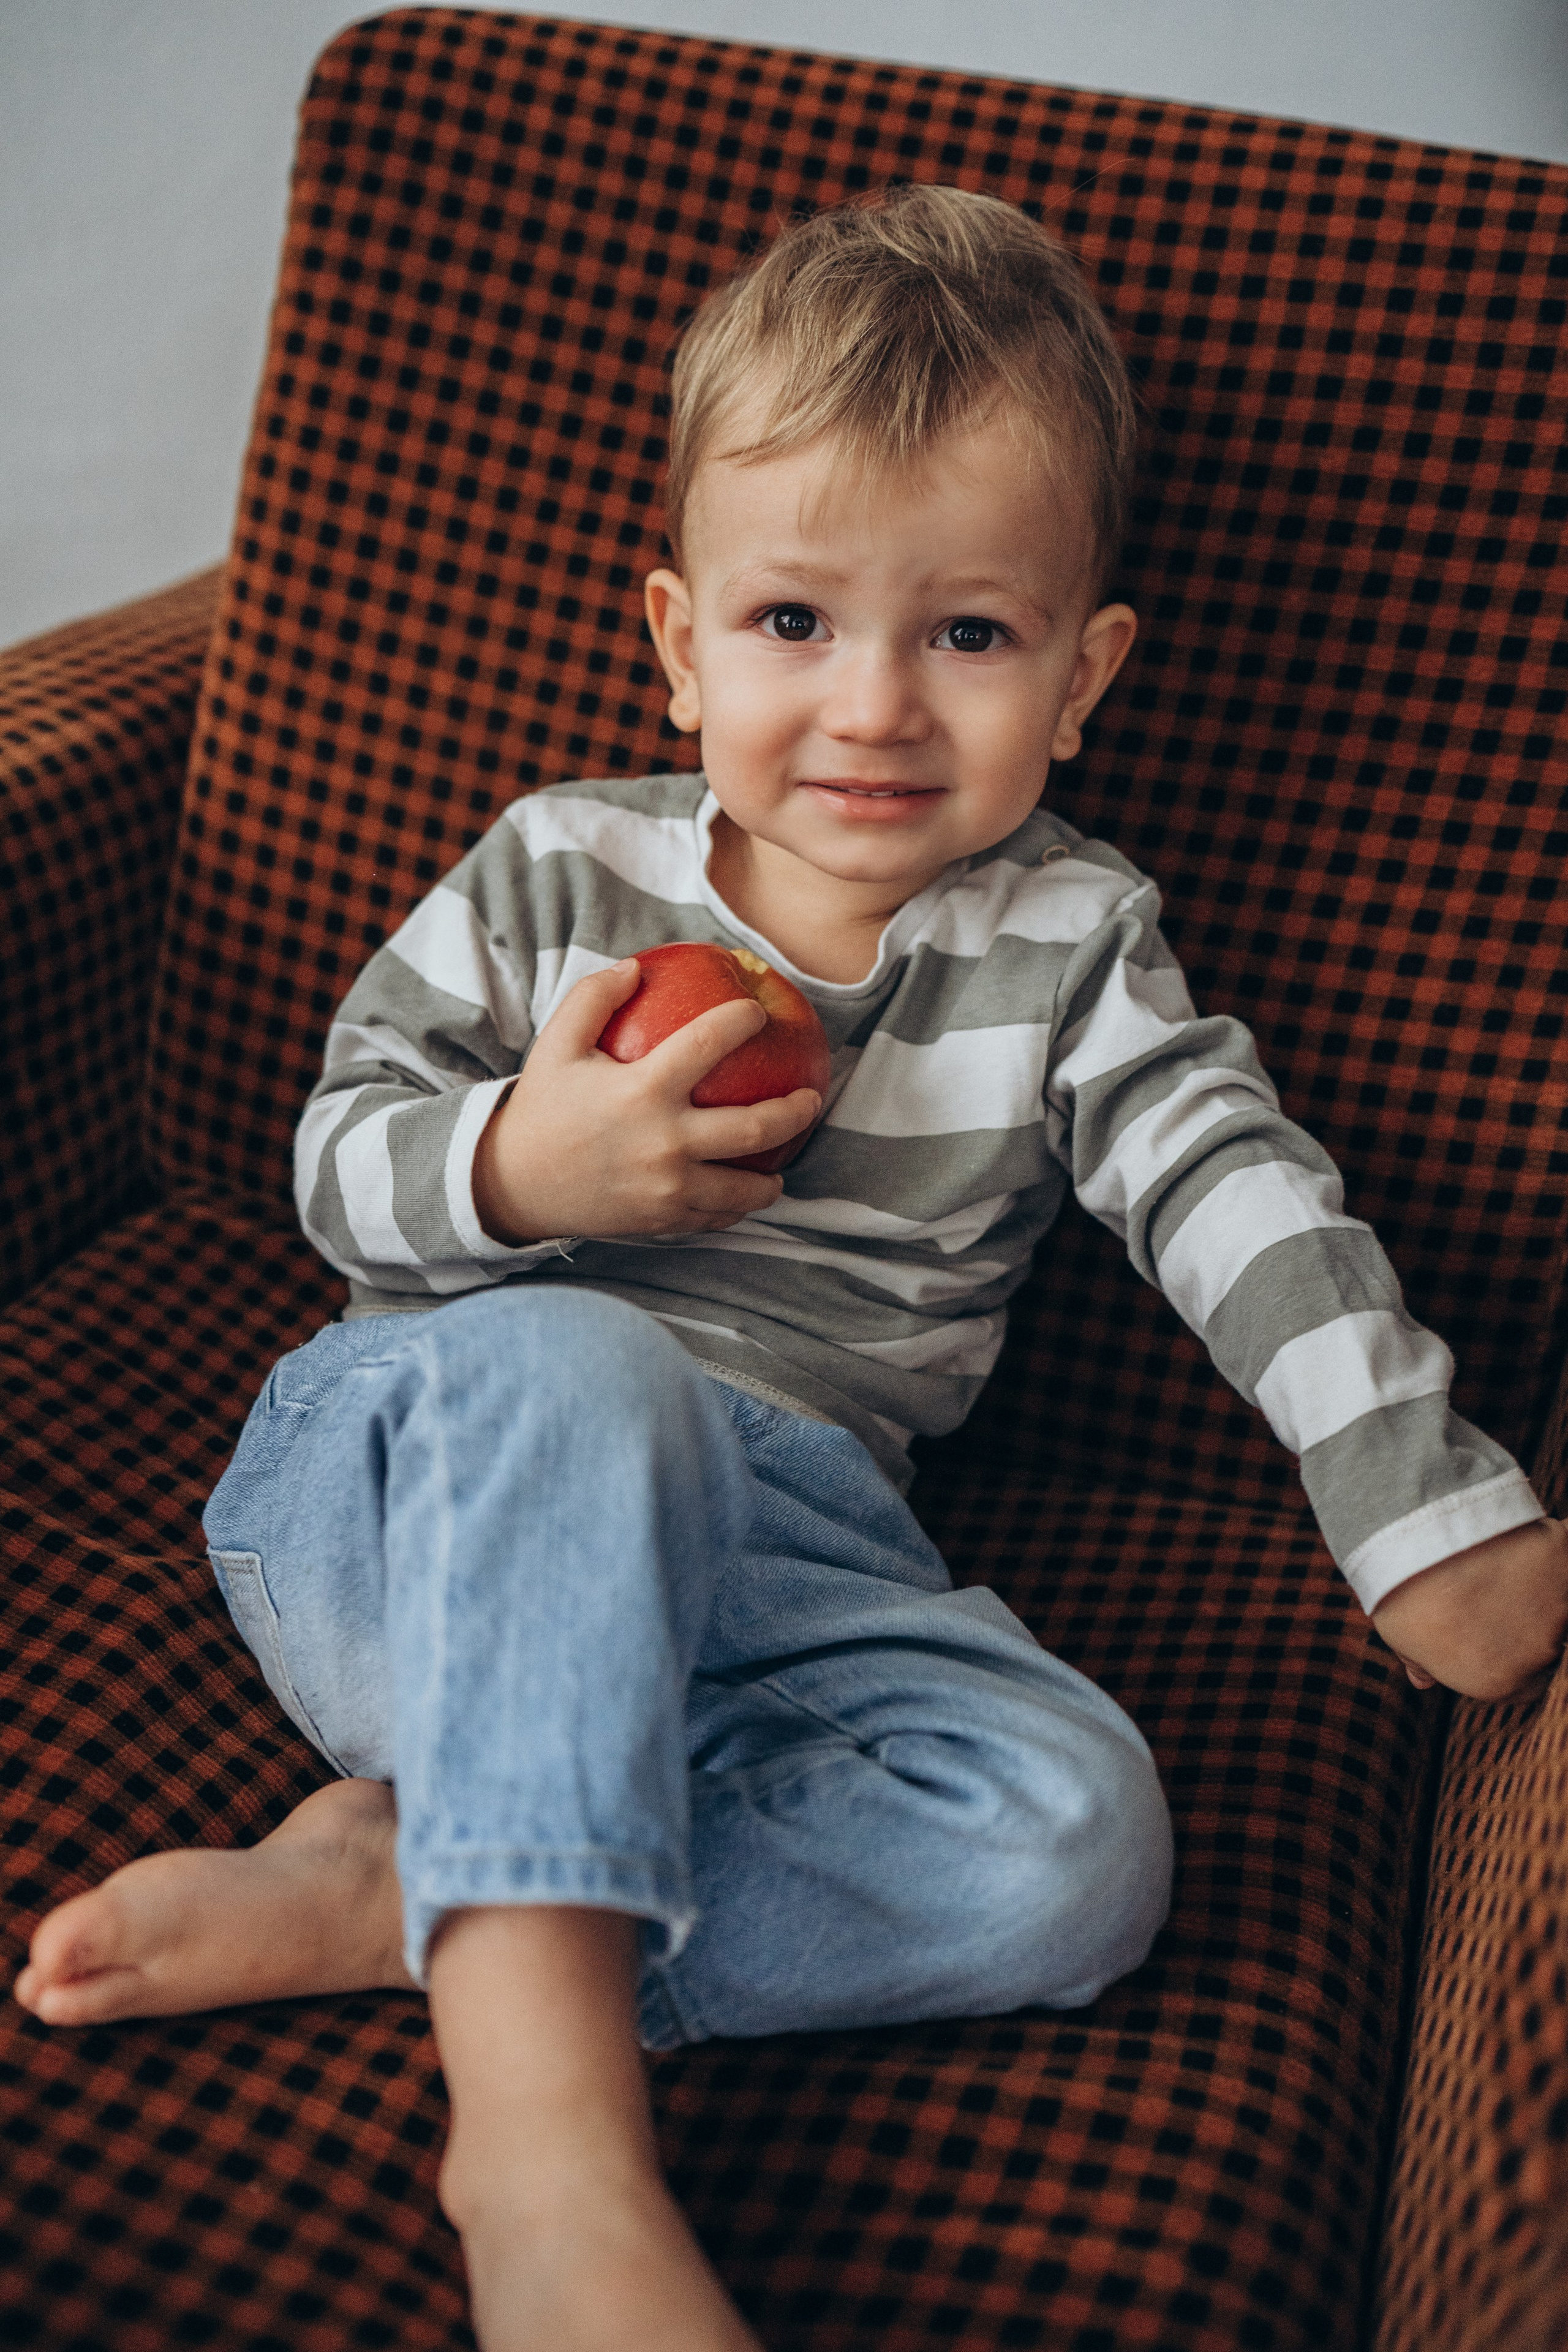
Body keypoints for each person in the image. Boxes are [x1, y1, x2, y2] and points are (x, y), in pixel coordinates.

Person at [15, 186, 1568, 2352]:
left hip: (792, 1555)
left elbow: (1237, 1191)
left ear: (1086, 673)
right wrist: (525, 1163)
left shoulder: (1069, 946)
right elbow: (334, 1162)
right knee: (586, 1370)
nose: (874, 707)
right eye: (792, 621)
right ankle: (546, 2156)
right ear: (678, 642)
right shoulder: (559, 868)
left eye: (970, 635)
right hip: (426, 1493)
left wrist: (1414, 1501)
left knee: (1075, 1852)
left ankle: (425, 1882)